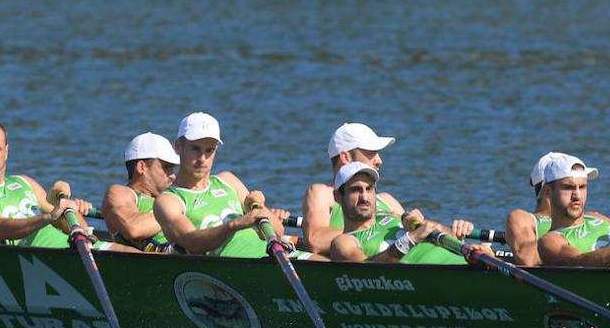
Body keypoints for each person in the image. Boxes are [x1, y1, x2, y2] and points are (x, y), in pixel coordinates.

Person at [0, 118, 114, 249]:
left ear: (7, 152)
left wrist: (66, 207)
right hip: (43, 261)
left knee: (132, 254)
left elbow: (81, 229)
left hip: (81, 250)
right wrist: (49, 216)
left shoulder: (24, 182)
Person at [153, 112, 290, 257]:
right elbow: (191, 242)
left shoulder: (228, 180)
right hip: (240, 267)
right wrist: (235, 224)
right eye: (195, 149)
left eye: (209, 150)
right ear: (178, 146)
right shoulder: (168, 201)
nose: (202, 159)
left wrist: (259, 207)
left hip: (277, 256)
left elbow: (278, 231)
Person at [328, 163, 476, 264]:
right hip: (440, 279)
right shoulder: (344, 241)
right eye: (355, 190)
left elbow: (439, 233)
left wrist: (454, 232)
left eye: (369, 189)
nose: (365, 197)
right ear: (338, 197)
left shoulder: (393, 217)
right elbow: (366, 273)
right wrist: (410, 240)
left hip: (466, 265)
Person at [301, 122, 405, 256]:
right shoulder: (322, 193)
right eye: (370, 152)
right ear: (345, 157)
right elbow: (315, 240)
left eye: (377, 153)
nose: (379, 160)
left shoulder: (387, 200)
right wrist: (374, 229)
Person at [101, 132, 179, 252]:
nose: (173, 175)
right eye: (166, 167)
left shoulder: (171, 197)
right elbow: (134, 228)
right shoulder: (120, 193)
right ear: (142, 167)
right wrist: (178, 214)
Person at [505, 152, 558, 266]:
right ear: (547, 190)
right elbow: (529, 263)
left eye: (582, 186)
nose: (578, 194)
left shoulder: (592, 218)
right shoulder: (525, 220)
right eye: (570, 186)